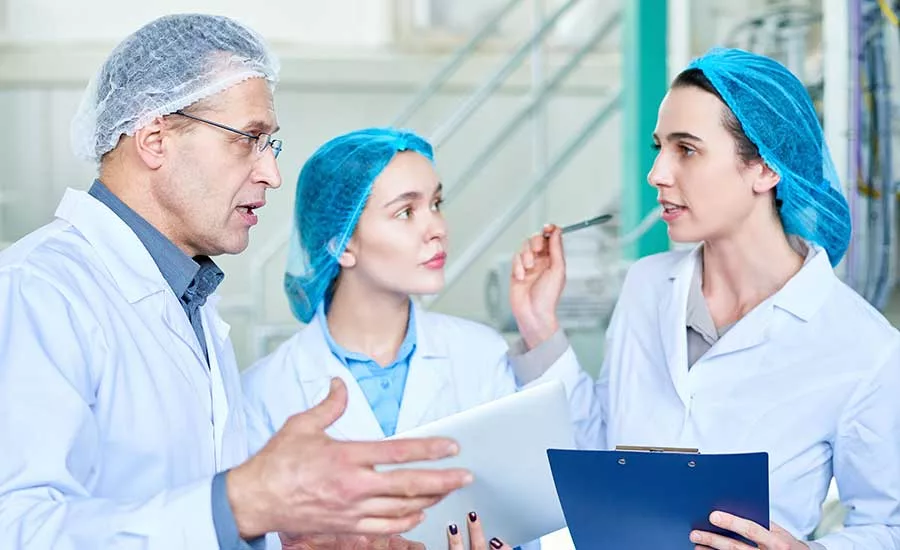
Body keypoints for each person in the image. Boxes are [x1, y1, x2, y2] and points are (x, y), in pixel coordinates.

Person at [0, 14, 474, 550]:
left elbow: (191, 517)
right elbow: (17, 529)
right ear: (155, 139)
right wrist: (242, 502)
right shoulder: (37, 292)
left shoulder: (192, 304)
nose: (271, 174)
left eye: (271, 146)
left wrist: (282, 539)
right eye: (249, 139)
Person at [511, 47, 900, 549]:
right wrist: (539, 321)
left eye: (686, 149)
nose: (658, 174)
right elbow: (607, 451)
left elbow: (889, 525)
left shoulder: (863, 346)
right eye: (660, 148)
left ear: (765, 168)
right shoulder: (647, 285)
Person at [240, 127, 595, 549]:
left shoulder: (481, 355)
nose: (437, 228)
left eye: (436, 204)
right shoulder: (264, 392)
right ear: (341, 244)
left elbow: (544, 511)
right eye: (406, 212)